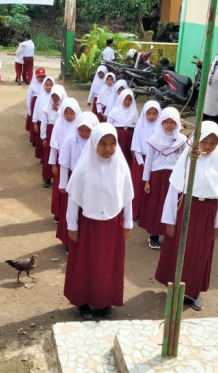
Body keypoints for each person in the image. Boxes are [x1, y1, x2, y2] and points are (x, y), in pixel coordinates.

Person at [155, 121, 218, 311]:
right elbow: (174, 192)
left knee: (200, 253)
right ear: (196, 141)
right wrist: (169, 221)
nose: (208, 146)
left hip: (206, 214)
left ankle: (193, 293)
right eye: (204, 141)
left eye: (213, 142)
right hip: (185, 210)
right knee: (179, 252)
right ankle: (174, 291)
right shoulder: (186, 161)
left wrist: (217, 224)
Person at [64, 123, 133, 320]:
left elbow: (127, 197)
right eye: (102, 143)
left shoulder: (121, 166)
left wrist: (128, 224)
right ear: (94, 143)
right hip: (89, 225)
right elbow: (74, 198)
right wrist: (72, 226)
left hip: (112, 225)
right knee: (86, 264)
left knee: (109, 265)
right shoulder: (83, 168)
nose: (108, 149)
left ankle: (105, 302)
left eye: (112, 144)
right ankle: (84, 303)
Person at [138, 107, 186, 250]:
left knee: (173, 206)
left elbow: (184, 160)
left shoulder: (182, 140)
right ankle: (154, 235)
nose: (169, 125)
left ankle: (171, 236)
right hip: (157, 177)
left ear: (177, 123)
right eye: (166, 122)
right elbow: (149, 161)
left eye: (173, 122)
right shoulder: (154, 139)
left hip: (174, 178)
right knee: (156, 206)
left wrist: (184, 179)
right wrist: (146, 180)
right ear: (161, 123)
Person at [56, 111, 99, 248]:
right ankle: (68, 241)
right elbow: (64, 162)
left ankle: (85, 243)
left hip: (92, 182)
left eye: (88, 130)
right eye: (81, 130)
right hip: (73, 179)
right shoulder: (71, 140)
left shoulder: (97, 143)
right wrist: (63, 183)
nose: (84, 134)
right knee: (73, 209)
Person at [49, 98, 81, 228]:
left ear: (77, 113)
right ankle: (58, 212)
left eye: (72, 113)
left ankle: (73, 216)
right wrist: (53, 164)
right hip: (62, 164)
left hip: (76, 165)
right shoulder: (59, 124)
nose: (69, 116)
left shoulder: (80, 126)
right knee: (61, 189)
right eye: (66, 113)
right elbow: (54, 146)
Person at [130, 100, 161, 220]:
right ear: (144, 114)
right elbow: (136, 145)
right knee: (138, 188)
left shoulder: (160, 128)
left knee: (150, 189)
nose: (152, 116)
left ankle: (146, 214)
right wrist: (141, 162)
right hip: (140, 161)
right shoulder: (140, 125)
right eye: (149, 113)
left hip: (154, 161)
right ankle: (135, 213)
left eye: (154, 113)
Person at [40, 84, 67, 188]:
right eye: (53, 96)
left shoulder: (65, 108)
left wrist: (59, 110)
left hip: (62, 133)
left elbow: (69, 120)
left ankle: (60, 178)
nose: (55, 98)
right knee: (49, 154)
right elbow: (44, 122)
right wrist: (43, 136)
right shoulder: (47, 107)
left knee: (60, 154)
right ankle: (47, 177)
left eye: (57, 96)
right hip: (50, 131)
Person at [107, 88, 139, 168]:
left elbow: (137, 129)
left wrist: (135, 144)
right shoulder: (114, 112)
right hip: (119, 136)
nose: (127, 102)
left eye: (129, 99)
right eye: (125, 99)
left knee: (128, 156)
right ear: (121, 99)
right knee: (118, 154)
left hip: (130, 137)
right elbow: (109, 127)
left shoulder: (134, 112)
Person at [32, 76, 55, 163]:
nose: (49, 87)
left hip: (50, 123)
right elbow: (36, 110)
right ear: (43, 86)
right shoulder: (40, 97)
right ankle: (42, 159)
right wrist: (35, 123)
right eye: (47, 85)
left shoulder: (55, 97)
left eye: (51, 85)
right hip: (40, 121)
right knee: (42, 142)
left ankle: (49, 159)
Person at [25, 68, 46, 145]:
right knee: (35, 120)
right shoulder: (33, 85)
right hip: (35, 103)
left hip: (43, 103)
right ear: (36, 77)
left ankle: (42, 138)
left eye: (42, 77)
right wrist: (29, 110)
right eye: (39, 77)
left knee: (42, 120)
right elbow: (29, 97)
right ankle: (34, 139)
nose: (41, 79)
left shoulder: (46, 85)